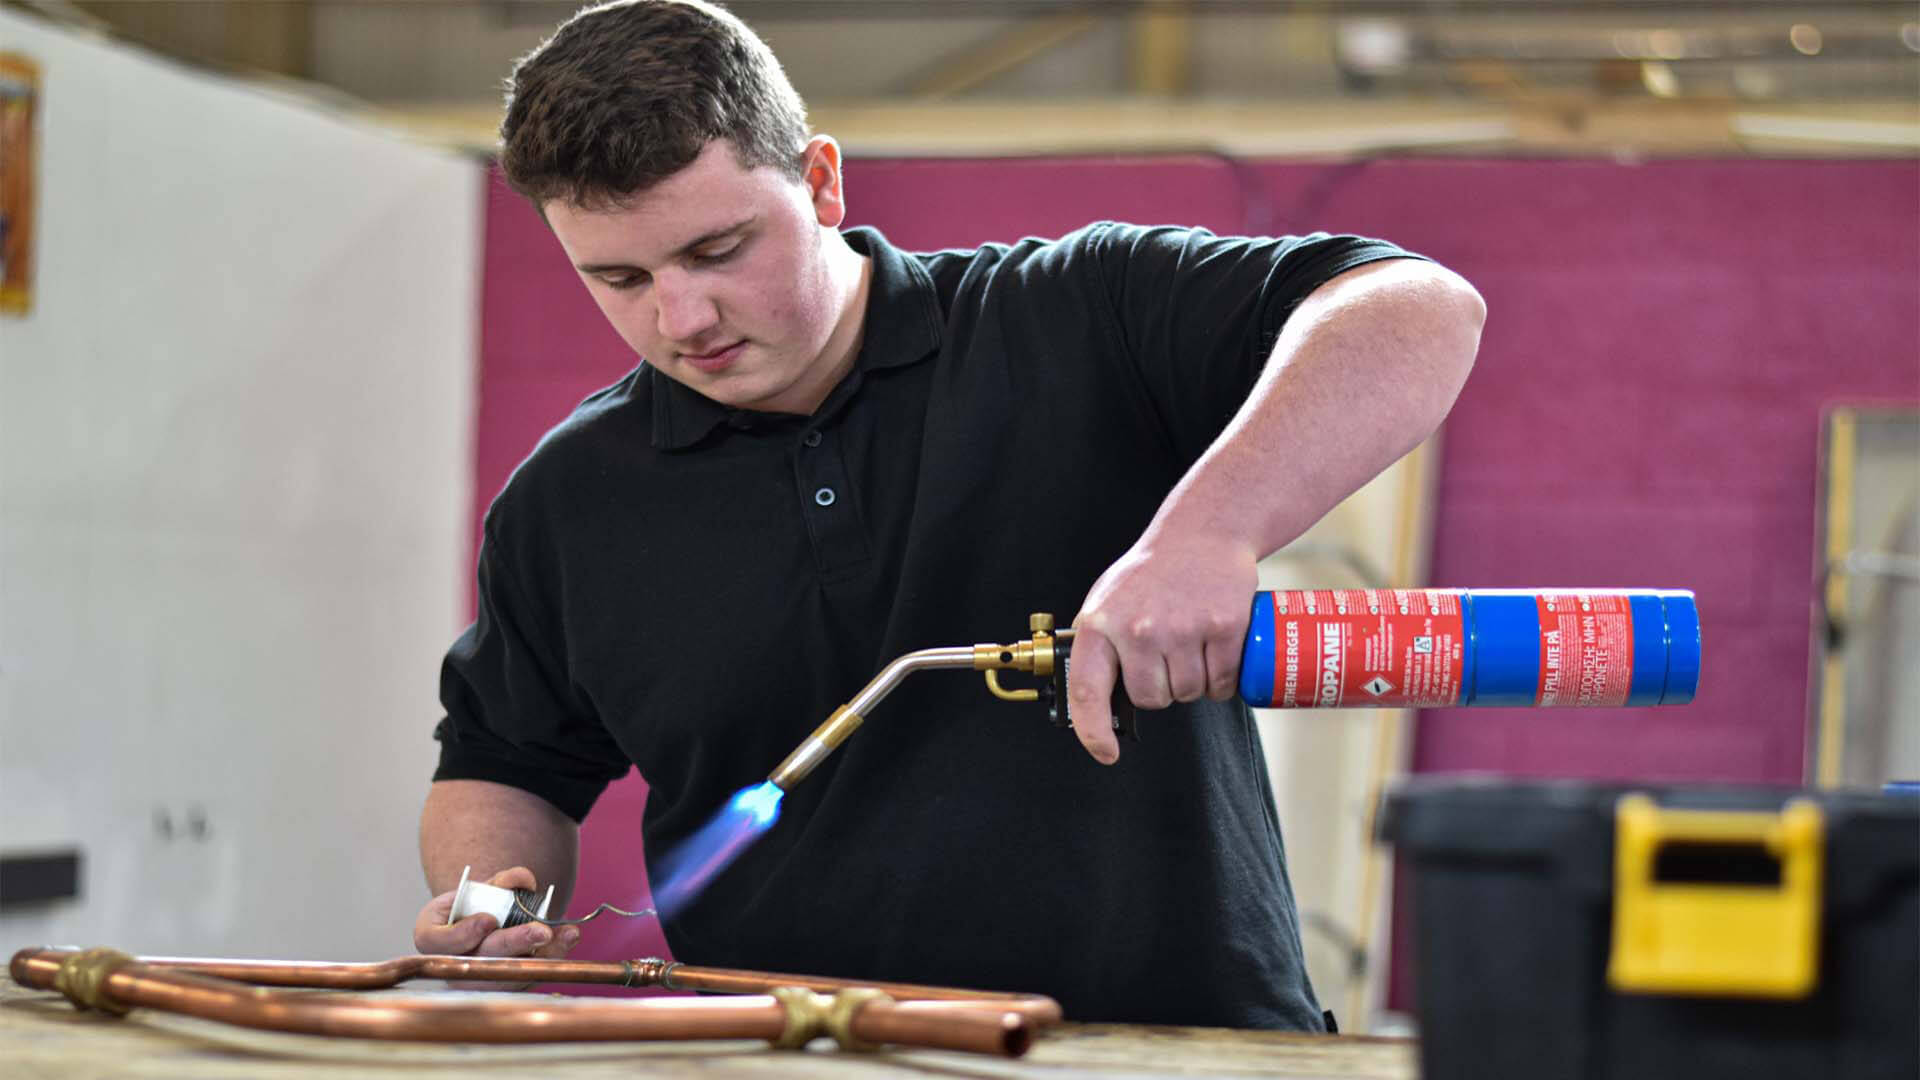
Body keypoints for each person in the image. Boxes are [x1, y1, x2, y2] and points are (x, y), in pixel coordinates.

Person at [412, 0, 1483, 1030]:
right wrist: (487, 902)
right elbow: (504, 764)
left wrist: (1211, 532)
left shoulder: (1079, 319)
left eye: (717, 251)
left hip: (1177, 1048)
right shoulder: (572, 500)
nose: (682, 318)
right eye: (619, 277)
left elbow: (1416, 308)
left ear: (820, 180)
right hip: (786, 1055)